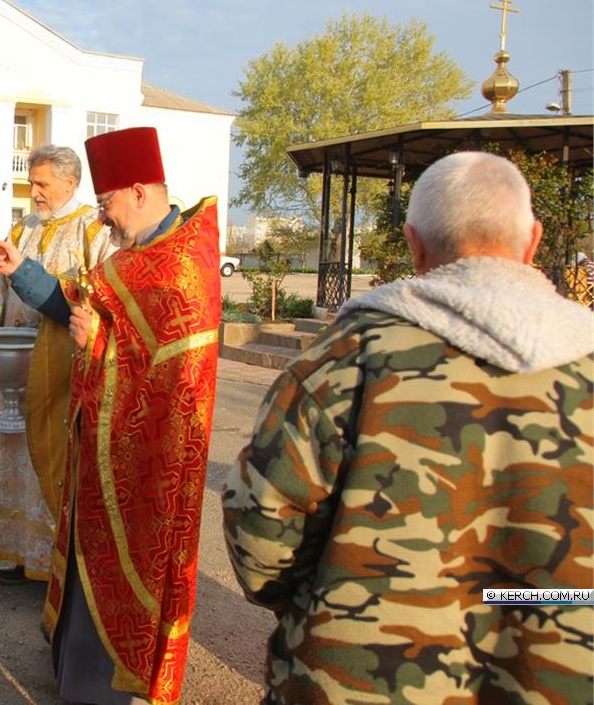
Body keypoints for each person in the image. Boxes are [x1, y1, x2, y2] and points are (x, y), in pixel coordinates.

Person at [222, 151, 594, 704]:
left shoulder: (348, 357)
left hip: (362, 678)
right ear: (534, 240)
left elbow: (262, 537)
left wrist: (320, 602)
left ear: (414, 243)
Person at [0, 128, 222, 704]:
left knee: (120, 570)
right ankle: (74, 672)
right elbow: (80, 298)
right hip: (100, 445)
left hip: (145, 459)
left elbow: (175, 376)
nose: (104, 216)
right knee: (86, 555)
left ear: (139, 192)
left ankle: (102, 687)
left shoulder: (182, 263)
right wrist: (22, 268)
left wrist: (101, 346)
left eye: (108, 202)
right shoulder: (141, 250)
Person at [0, 144, 114, 586]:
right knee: (14, 457)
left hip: (60, 367)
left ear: (70, 181)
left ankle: (53, 563)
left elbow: (96, 292)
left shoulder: (92, 228)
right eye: (31, 183)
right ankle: (18, 552)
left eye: (42, 184)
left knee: (52, 461)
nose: (34, 192)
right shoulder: (22, 227)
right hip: (12, 366)